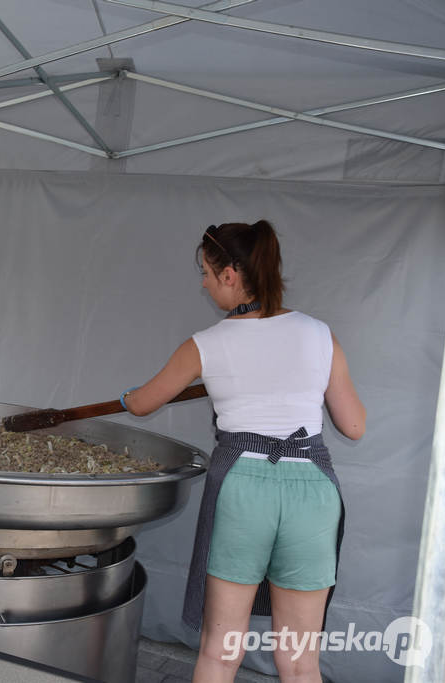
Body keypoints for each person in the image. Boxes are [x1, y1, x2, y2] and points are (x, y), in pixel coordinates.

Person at [120, 221, 365, 683]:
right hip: (311, 489)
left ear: (231, 274)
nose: (205, 284)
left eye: (207, 274)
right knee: (299, 660)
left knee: (220, 652)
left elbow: (143, 402)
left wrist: (126, 398)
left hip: (243, 488)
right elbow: (354, 426)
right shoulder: (320, 334)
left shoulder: (205, 343)